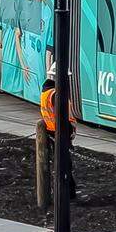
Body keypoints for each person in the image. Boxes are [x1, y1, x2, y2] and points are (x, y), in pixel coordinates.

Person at [19, 0, 53, 103]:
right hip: (28, 78)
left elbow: (48, 50)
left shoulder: (48, 11)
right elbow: (17, 35)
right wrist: (23, 65)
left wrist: (47, 79)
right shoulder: (26, 5)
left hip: (40, 76)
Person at [40, 66, 77, 199]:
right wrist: (71, 129)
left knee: (60, 164)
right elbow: (62, 115)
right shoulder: (56, 94)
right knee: (64, 165)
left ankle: (64, 192)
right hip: (60, 133)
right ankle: (67, 193)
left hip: (51, 132)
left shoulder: (46, 92)